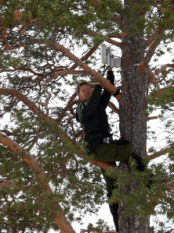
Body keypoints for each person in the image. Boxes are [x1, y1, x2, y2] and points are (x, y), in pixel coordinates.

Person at [76, 67, 145, 232]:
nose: (87, 92)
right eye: (84, 91)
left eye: (88, 89)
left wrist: (109, 75)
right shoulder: (82, 108)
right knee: (128, 151)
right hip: (96, 149)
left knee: (112, 186)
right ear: (79, 95)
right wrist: (99, 84)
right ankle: (146, 181)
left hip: (105, 147)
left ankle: (117, 223)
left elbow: (106, 93)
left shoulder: (97, 106)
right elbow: (94, 100)